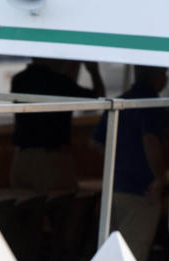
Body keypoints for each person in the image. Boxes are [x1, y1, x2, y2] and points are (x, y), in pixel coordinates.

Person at [91, 65, 169, 261]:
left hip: (114, 189)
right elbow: (150, 140)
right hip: (142, 192)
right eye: (165, 73)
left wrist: (118, 162)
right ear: (158, 77)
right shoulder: (151, 103)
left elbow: (95, 142)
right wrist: (160, 178)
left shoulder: (122, 99)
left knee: (108, 258)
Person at [9, 57, 105, 192]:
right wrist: (94, 72)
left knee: (25, 210)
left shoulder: (19, 80)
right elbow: (99, 99)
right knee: (60, 208)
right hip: (52, 160)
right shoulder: (61, 83)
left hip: (21, 159)